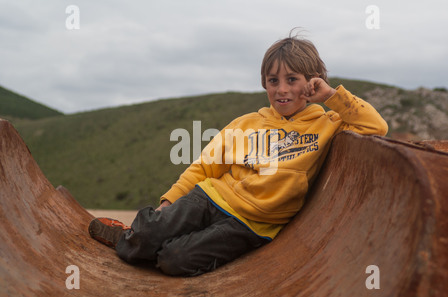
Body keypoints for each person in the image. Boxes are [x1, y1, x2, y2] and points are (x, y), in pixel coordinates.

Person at [89, 32, 388, 276]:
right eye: (273, 81)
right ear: (264, 84)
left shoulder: (327, 124)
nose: (281, 90)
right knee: (151, 231)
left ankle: (148, 244)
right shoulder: (246, 124)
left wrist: (333, 97)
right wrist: (170, 200)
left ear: (312, 82)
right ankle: (131, 235)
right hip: (209, 198)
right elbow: (204, 166)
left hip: (251, 225)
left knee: (174, 260)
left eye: (292, 80)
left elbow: (376, 126)